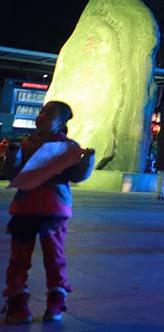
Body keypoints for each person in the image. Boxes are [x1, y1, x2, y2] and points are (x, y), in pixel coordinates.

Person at [2, 101, 95, 323]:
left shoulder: (69, 147)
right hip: (25, 207)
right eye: (42, 111)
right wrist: (13, 154)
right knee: (18, 258)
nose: (42, 115)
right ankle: (17, 303)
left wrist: (87, 161)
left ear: (62, 122)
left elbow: (76, 176)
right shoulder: (25, 144)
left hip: (54, 208)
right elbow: (11, 173)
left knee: (54, 257)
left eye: (50, 113)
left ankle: (56, 300)